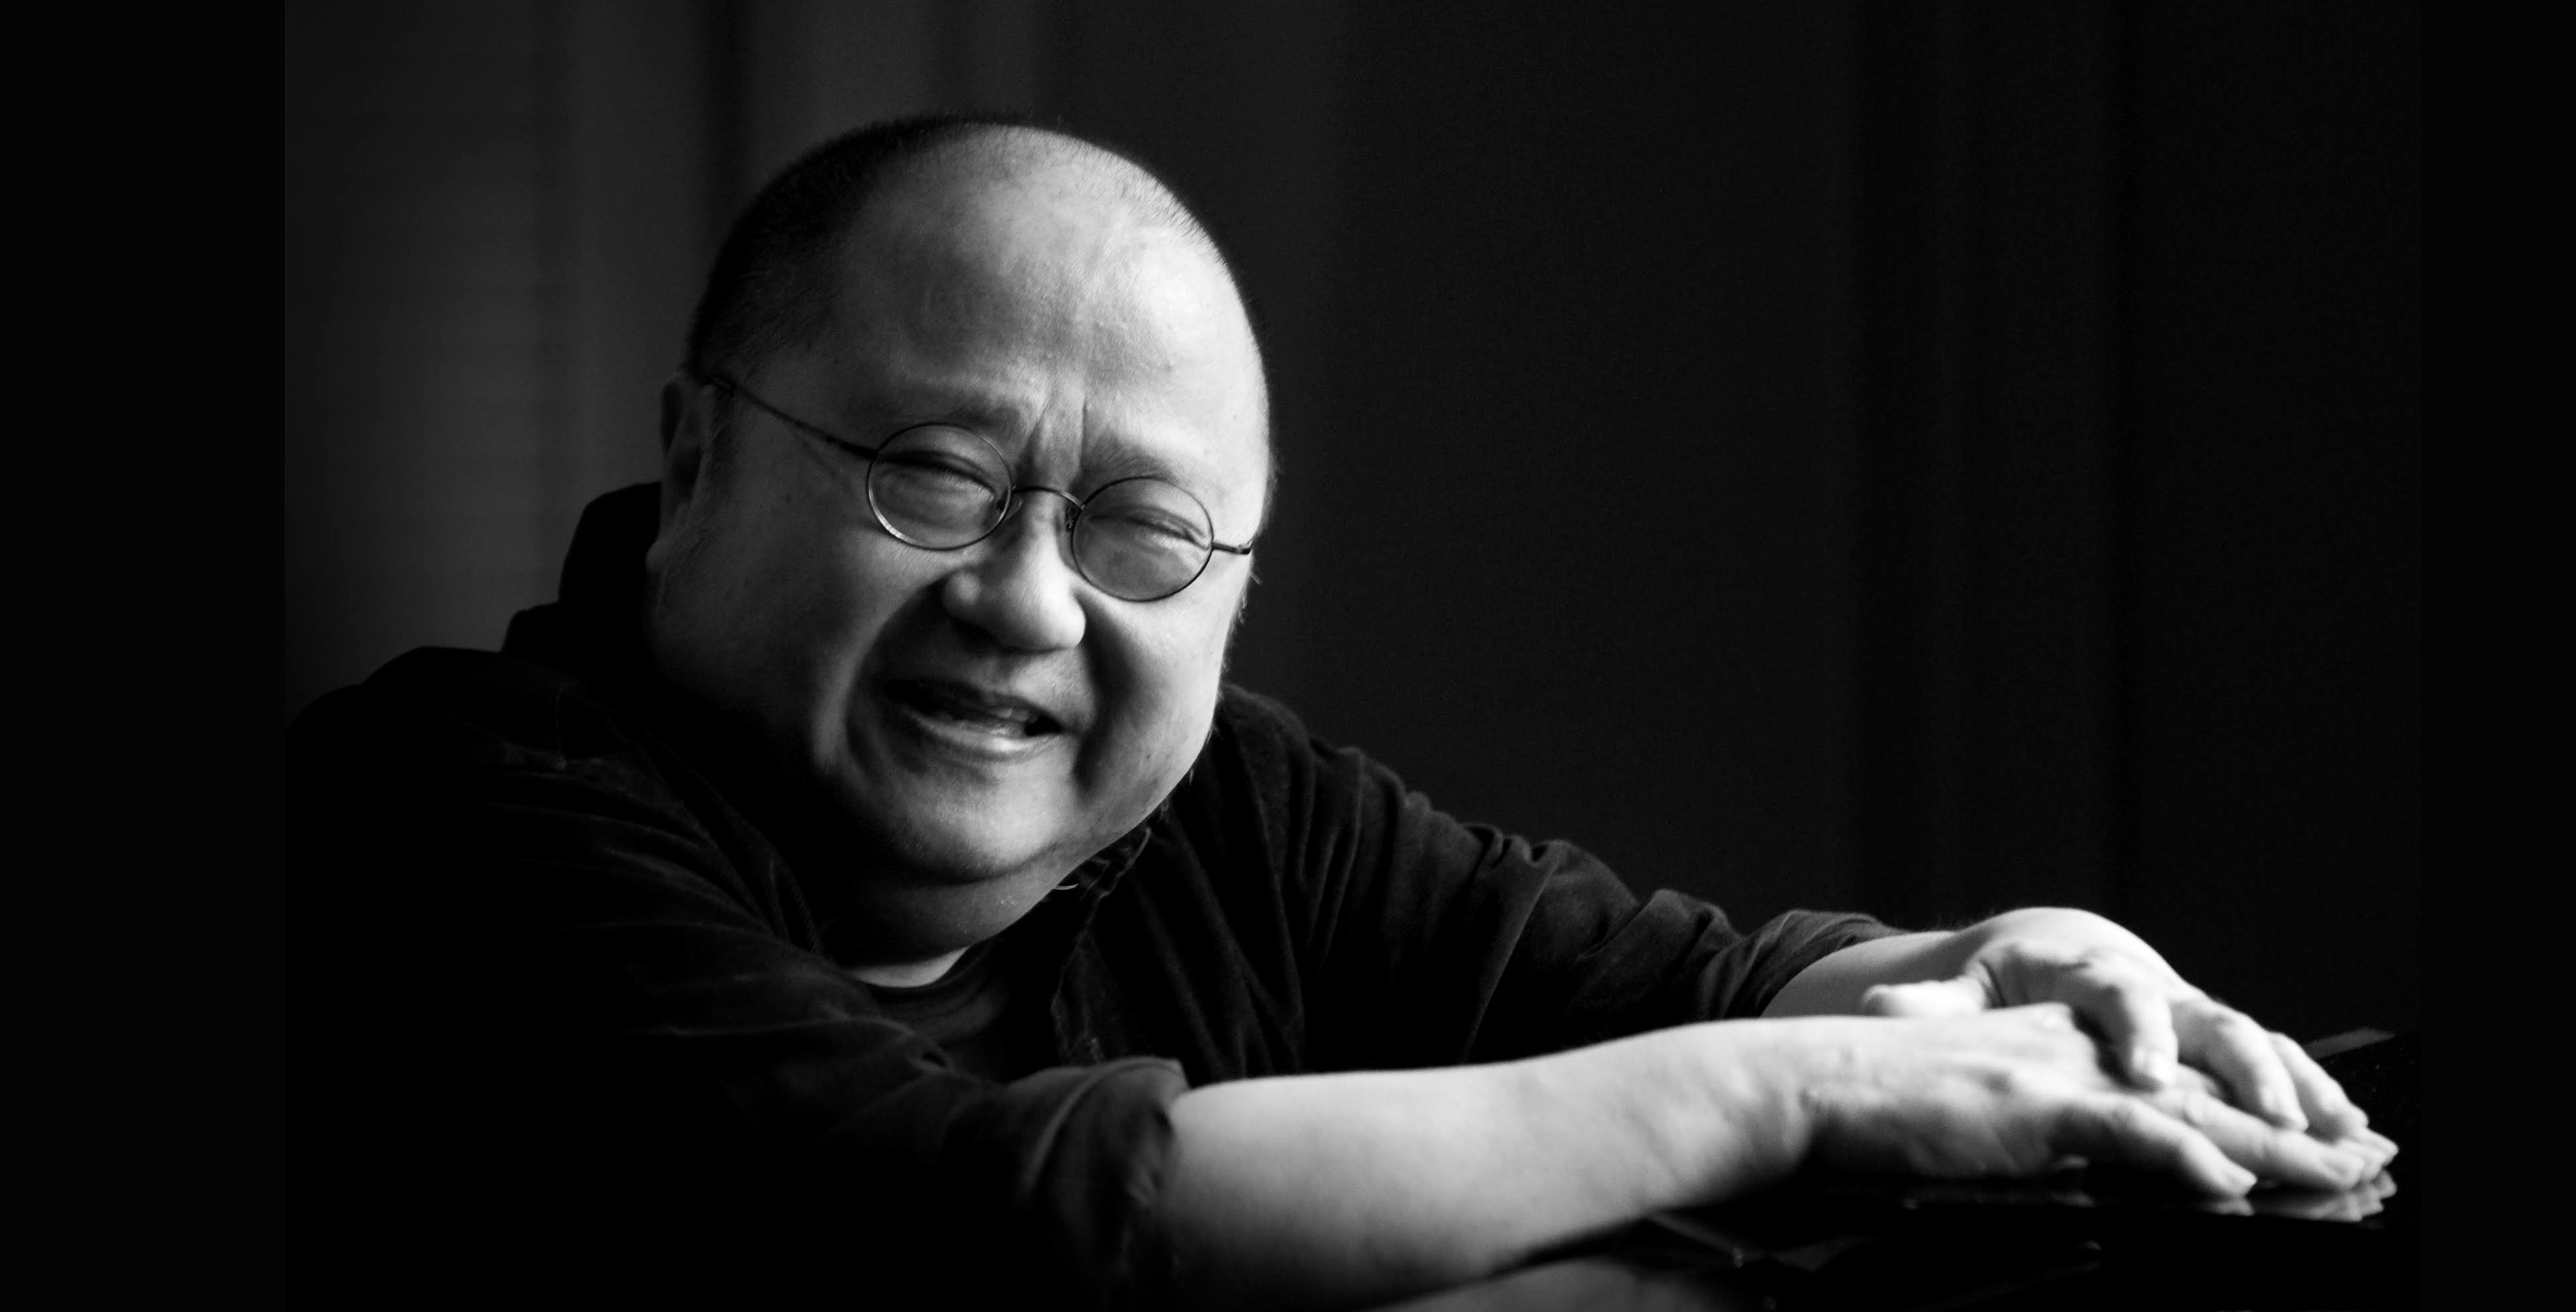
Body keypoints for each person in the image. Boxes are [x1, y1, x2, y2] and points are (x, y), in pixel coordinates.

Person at [290, 116, 2393, 1309]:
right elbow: (980, 1220)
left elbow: (1668, 978)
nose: (1024, 601)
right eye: (931, 476)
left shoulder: (1226, 809)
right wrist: (1798, 1094)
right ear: (694, 460)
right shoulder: (444, 809)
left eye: (1139, 530)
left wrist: (1975, 970)